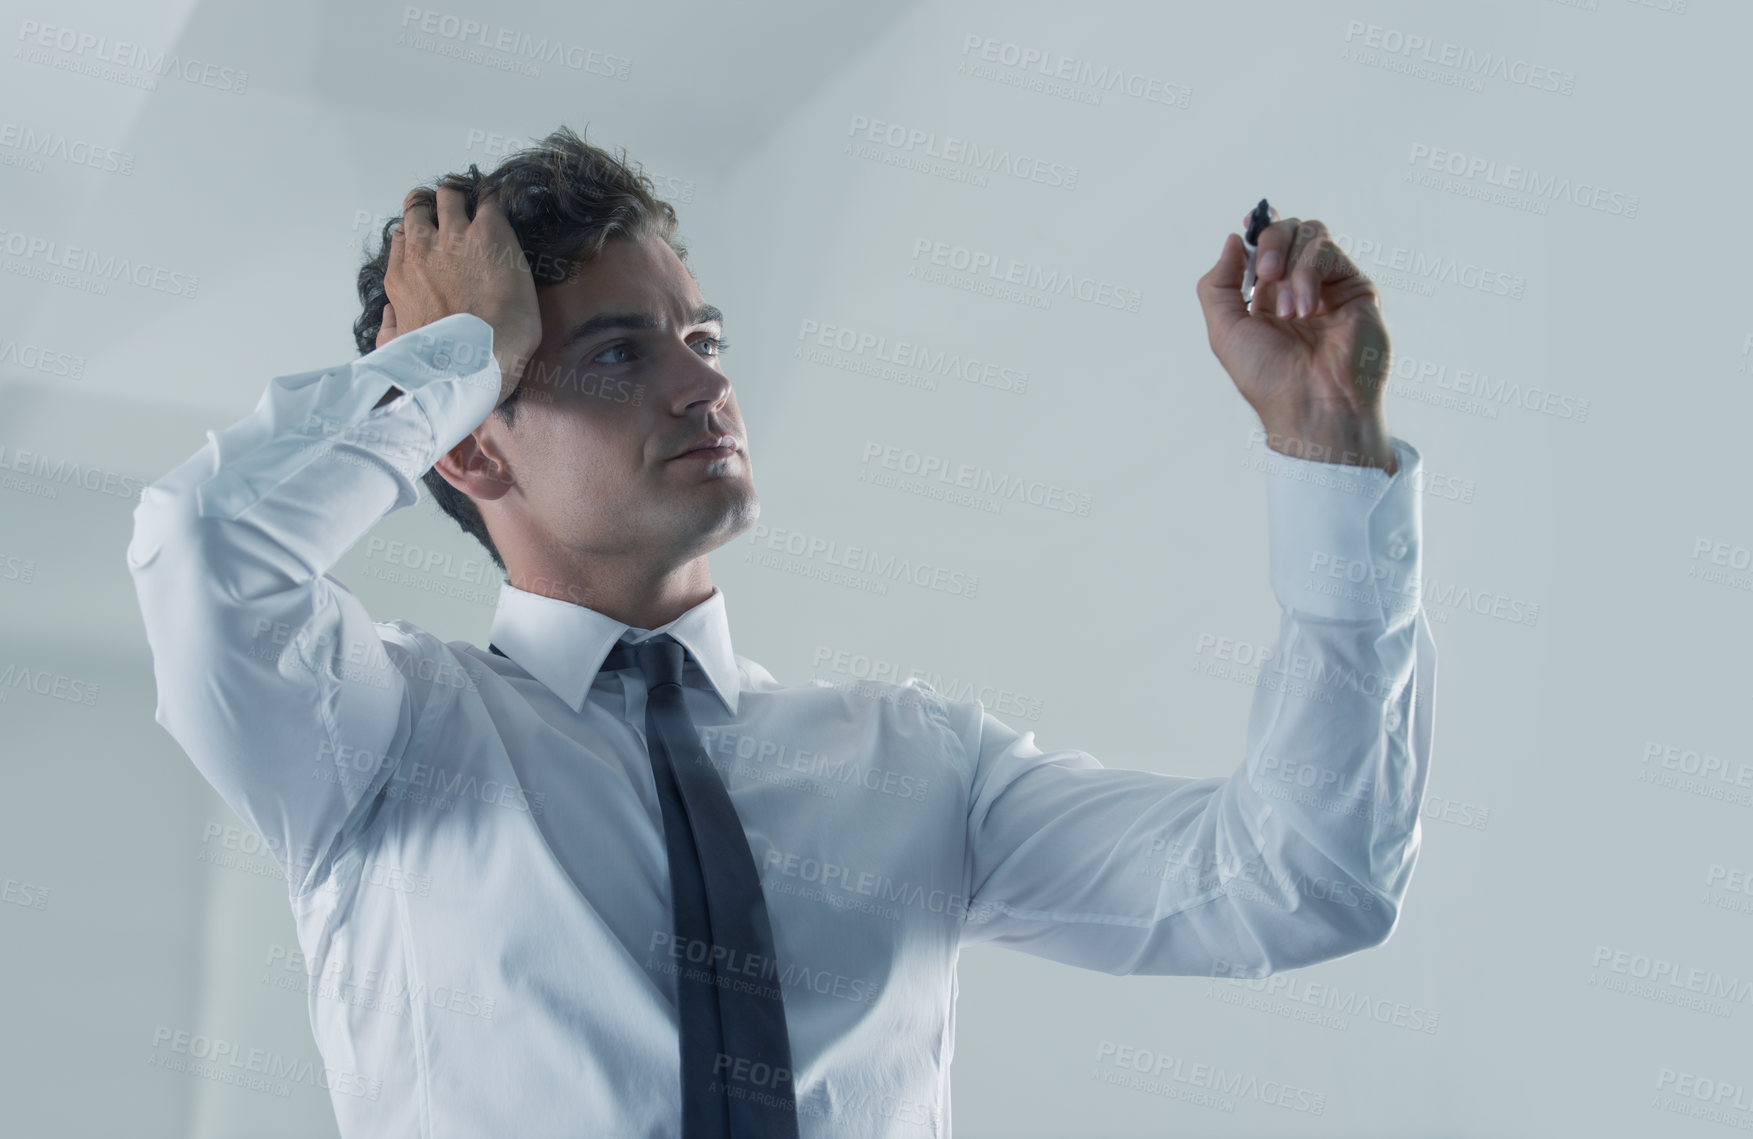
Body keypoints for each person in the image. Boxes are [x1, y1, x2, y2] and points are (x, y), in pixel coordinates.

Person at [126, 125, 1436, 1137]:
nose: (703, 382)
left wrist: (1327, 454)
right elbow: (207, 551)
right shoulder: (377, 739)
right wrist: (453, 347)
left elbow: (1298, 883)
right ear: (470, 447)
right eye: (613, 355)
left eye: (701, 337)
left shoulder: (918, 766)